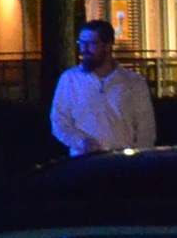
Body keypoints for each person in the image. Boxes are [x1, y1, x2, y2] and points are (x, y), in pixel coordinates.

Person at [51, 20, 159, 155]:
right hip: (84, 162)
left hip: (121, 163)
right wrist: (80, 142)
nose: (84, 49)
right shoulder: (70, 79)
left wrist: (137, 157)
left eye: (91, 43)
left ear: (108, 45)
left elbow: (146, 126)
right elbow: (59, 121)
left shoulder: (133, 82)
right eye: (81, 43)